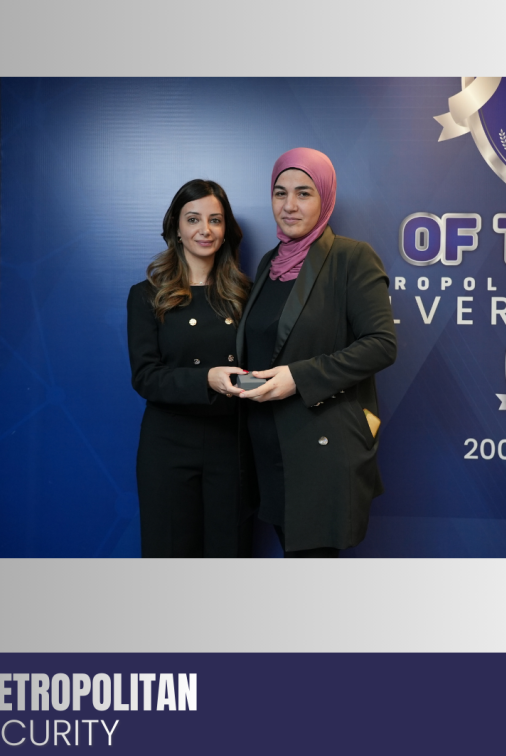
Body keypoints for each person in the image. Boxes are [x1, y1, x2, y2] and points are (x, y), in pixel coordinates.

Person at [236, 148, 397, 557]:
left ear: (325, 198)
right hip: (269, 449)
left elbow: (381, 345)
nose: (289, 206)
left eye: (304, 193)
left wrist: (299, 377)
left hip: (322, 449)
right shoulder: (270, 263)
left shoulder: (351, 257)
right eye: (280, 193)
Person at [127, 179, 251, 557]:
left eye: (215, 220)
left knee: (229, 555)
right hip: (168, 445)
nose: (205, 230)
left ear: (226, 230)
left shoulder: (247, 294)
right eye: (193, 219)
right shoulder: (146, 295)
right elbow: (145, 377)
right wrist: (206, 379)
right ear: (176, 228)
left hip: (232, 444)